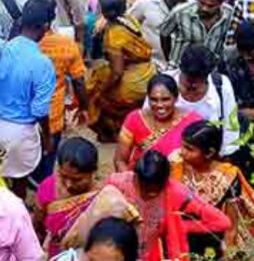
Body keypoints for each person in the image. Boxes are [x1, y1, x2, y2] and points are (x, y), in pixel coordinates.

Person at [0, 0, 56, 198]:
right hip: (23, 133)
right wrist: (47, 137)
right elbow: (39, 111)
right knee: (20, 182)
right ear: (45, 26)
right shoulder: (43, 64)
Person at [106, 150, 231, 260]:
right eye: (145, 188)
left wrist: (180, 225)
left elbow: (222, 221)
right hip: (115, 251)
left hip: (152, 255)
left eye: (157, 188)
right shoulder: (117, 183)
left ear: (166, 181)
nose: (151, 193)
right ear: (135, 177)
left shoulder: (177, 193)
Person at [35, 138, 136, 258]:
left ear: (93, 172)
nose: (68, 184)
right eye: (63, 176)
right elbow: (38, 223)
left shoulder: (105, 201)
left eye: (77, 180)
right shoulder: (48, 187)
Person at [172, 120, 254, 255]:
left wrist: (227, 256)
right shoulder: (175, 168)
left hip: (214, 247)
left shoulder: (228, 177)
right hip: (180, 243)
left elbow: (231, 227)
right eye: (182, 146)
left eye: (189, 149)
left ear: (209, 153)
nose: (182, 152)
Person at [146, 44, 240, 157]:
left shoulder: (222, 85)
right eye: (189, 79)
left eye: (199, 79)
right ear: (181, 69)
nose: (193, 84)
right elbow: (146, 121)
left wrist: (224, 159)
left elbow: (230, 128)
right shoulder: (162, 84)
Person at [87, 0, 157, 142]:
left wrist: (103, 90)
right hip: (147, 71)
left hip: (134, 80)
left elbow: (117, 73)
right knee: (98, 75)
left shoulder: (114, 36)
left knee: (95, 93)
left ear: (103, 11)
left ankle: (112, 132)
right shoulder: (128, 19)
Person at [114, 73, 202, 170]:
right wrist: (129, 180)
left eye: (165, 99)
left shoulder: (192, 121)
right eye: (154, 99)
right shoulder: (134, 119)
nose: (160, 105)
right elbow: (120, 160)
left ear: (176, 98)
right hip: (142, 179)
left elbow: (201, 161)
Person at [35, 26, 88, 181]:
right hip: (53, 113)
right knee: (49, 157)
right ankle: (44, 189)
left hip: (23, 116)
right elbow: (78, 80)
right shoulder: (66, 44)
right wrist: (84, 107)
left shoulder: (20, 45)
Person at [159, 0, 233, 68]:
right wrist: (169, 59)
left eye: (211, 6)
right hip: (180, 68)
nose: (204, 8)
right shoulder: (180, 12)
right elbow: (164, 34)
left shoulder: (229, 14)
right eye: (201, 3)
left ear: (221, 3)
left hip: (211, 70)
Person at [128, 0, 192, 70]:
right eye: (174, 2)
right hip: (148, 62)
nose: (177, 6)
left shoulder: (193, 9)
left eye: (181, 2)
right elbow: (129, 23)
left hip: (179, 67)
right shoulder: (147, 1)